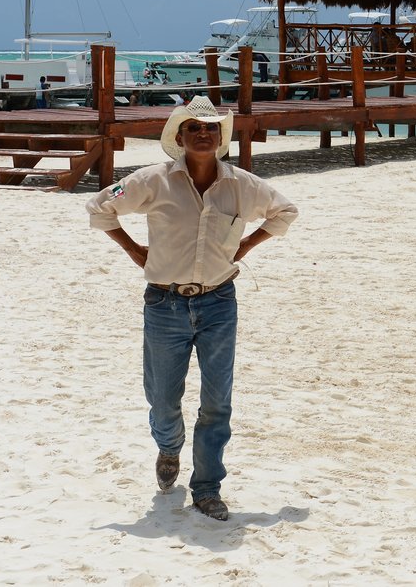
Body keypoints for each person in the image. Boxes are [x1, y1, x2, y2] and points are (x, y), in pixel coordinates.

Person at [85, 96, 298, 521]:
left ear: (221, 138)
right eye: (194, 129)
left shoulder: (242, 184)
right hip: (164, 303)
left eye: (211, 129)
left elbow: (285, 211)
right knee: (163, 399)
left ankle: (207, 487)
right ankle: (168, 447)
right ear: (179, 137)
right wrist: (133, 251)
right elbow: (100, 206)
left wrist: (246, 245)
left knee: (217, 402)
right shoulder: (152, 180)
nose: (204, 134)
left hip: (220, 301)